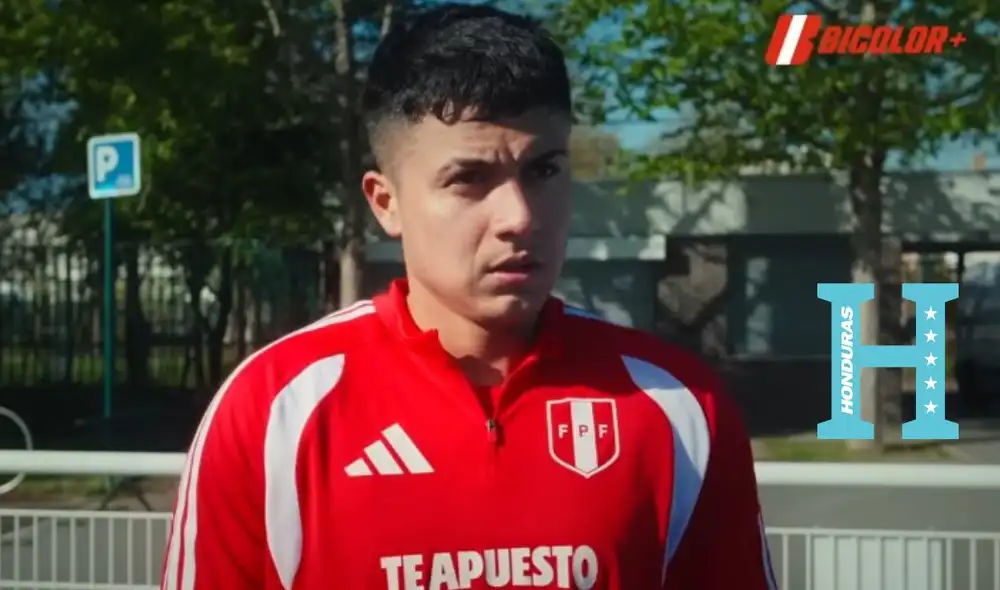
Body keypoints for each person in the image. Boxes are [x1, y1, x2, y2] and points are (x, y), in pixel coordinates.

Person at [160, 4, 778, 590]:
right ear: (386, 202)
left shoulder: (677, 403)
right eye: (469, 179)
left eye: (544, 170)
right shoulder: (273, 411)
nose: (519, 216)